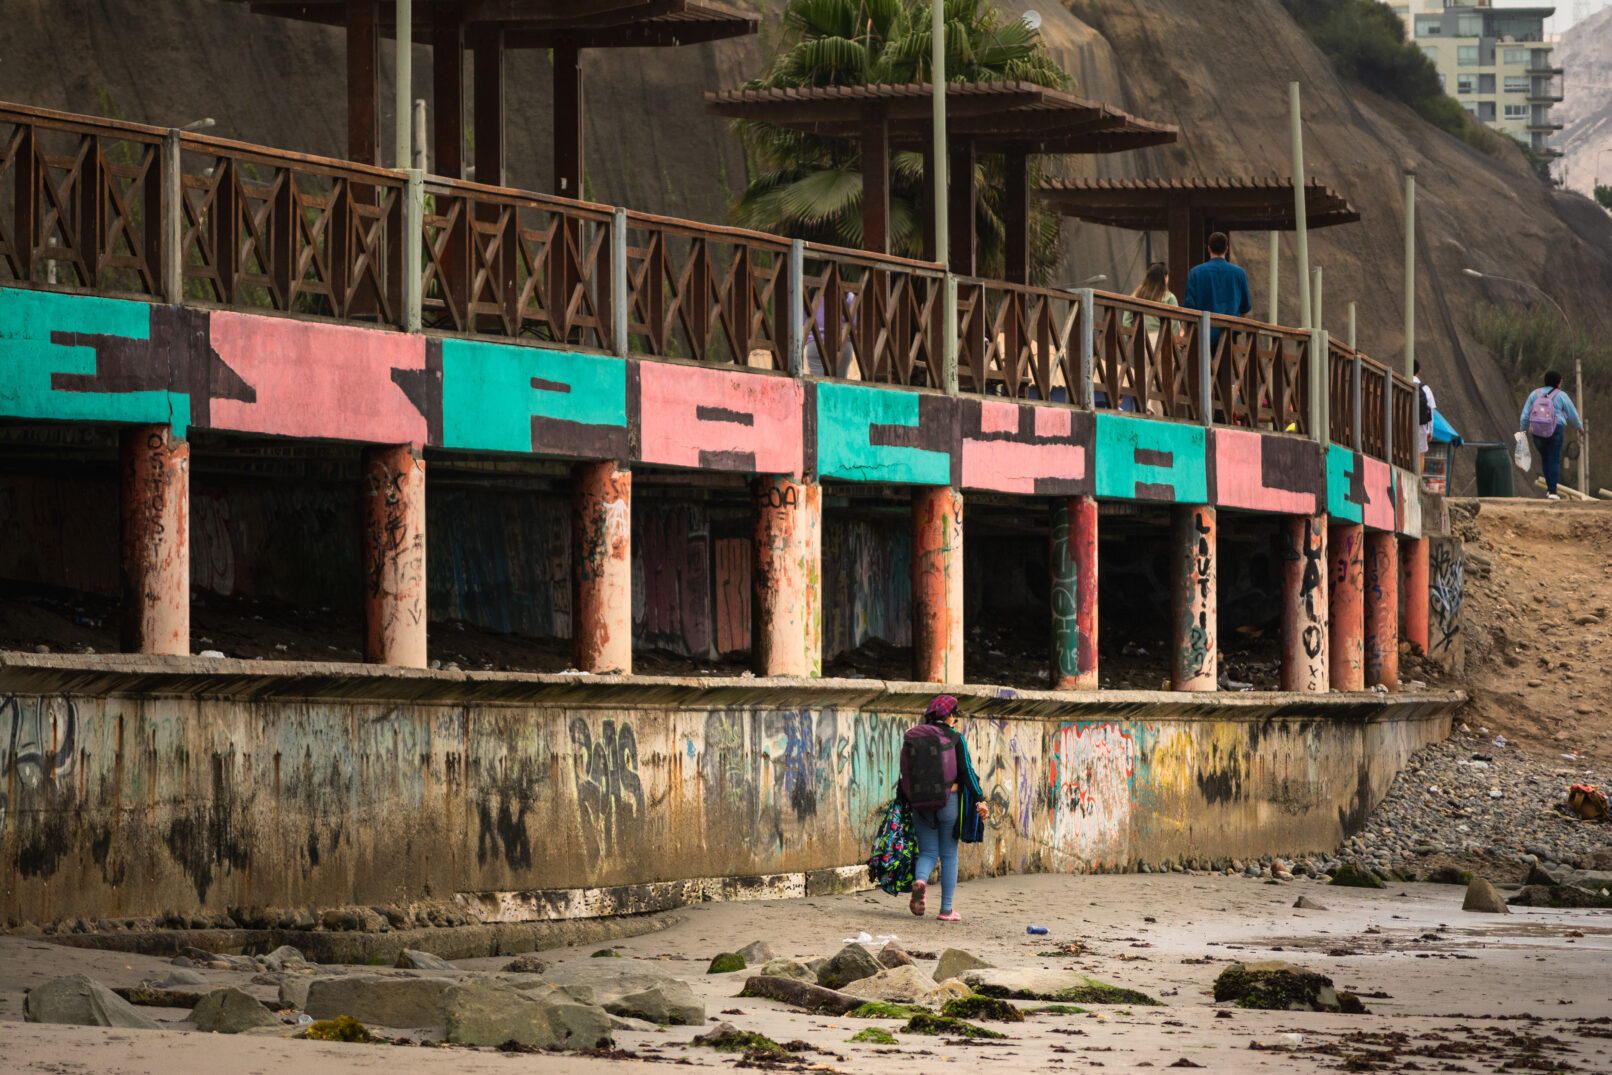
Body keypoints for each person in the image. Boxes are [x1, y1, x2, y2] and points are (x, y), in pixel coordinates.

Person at [902, 695, 987, 922]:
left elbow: (905, 774)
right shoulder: (955, 738)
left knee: (928, 851)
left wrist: (905, 800)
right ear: (950, 716)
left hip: (920, 803)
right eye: (954, 715)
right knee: (949, 854)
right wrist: (980, 798)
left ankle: (920, 881)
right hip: (949, 800)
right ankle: (946, 910)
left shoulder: (915, 737)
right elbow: (967, 771)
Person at [1520, 370, 1585, 499]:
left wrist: (1522, 428)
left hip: (1537, 431)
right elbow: (1572, 413)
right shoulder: (1561, 396)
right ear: (1557, 382)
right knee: (1554, 459)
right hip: (1555, 430)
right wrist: (1579, 427)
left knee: (1545, 459)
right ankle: (1553, 492)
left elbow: (1525, 413)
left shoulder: (1535, 394)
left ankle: (1550, 490)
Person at [1181, 232, 1252, 321]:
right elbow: (1245, 307)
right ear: (1227, 249)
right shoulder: (1240, 273)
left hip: (1204, 329)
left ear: (1209, 249)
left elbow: (1189, 305)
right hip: (1230, 330)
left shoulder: (1195, 273)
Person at [1122, 262, 1180, 344]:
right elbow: (1175, 324)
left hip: (1139, 340)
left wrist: (1130, 338)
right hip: (1161, 342)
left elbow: (1126, 320)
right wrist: (1175, 342)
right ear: (1165, 277)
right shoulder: (1169, 297)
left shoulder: (1135, 295)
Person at [1413, 361, 1436, 469]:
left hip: (1401, 424)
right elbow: (1430, 411)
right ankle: (1418, 481)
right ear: (1419, 371)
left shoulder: (1399, 382)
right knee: (1420, 453)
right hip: (1420, 425)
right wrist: (1430, 431)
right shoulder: (1425, 389)